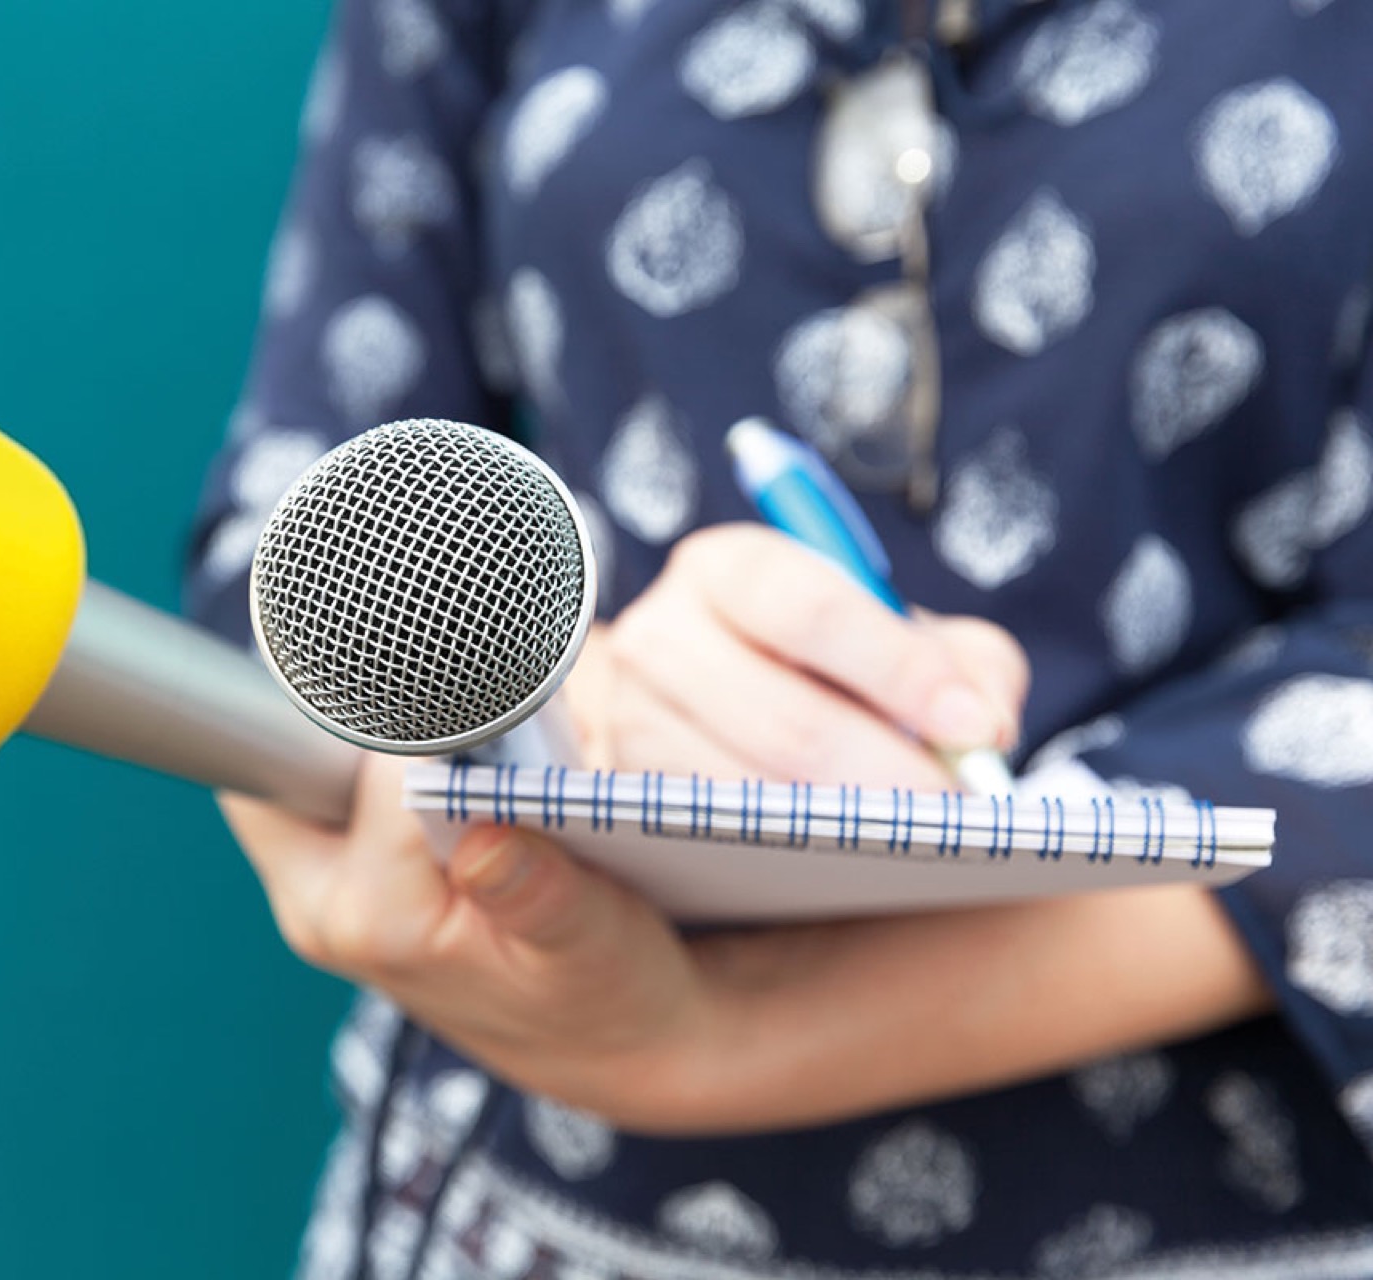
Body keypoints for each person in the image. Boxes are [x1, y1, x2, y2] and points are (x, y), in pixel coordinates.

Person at [183, 0, 1373, 1274]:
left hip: (1202, 1217)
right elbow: (309, 490)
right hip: (511, 1201)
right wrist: (541, 715)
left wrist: (718, 1038)